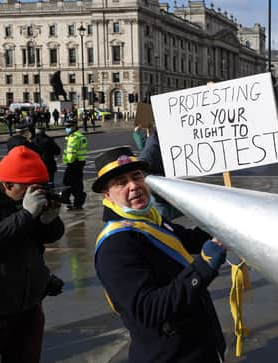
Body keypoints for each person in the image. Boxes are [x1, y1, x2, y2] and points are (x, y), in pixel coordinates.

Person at [93, 146, 226, 362]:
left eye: (137, 177)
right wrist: (202, 268)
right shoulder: (115, 245)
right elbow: (149, 310)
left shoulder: (149, 219)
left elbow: (190, 238)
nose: (134, 186)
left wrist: (224, 221)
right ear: (107, 194)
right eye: (121, 183)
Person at [0, 146, 65, 363]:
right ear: (7, 184)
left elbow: (48, 238)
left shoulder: (23, 199)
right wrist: (25, 215)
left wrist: (49, 220)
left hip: (28, 306)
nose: (35, 193)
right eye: (29, 187)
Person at [60, 119, 87, 210]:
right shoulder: (80, 136)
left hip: (73, 163)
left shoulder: (74, 137)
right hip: (80, 163)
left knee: (68, 182)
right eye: (66, 127)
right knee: (78, 184)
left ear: (74, 126)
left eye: (68, 127)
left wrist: (69, 161)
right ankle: (78, 202)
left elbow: (71, 152)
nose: (67, 129)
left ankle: (67, 201)